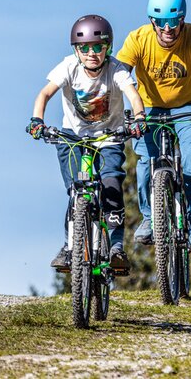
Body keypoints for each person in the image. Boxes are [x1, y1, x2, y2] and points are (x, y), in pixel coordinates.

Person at [115, 0, 191, 260]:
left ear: (183, 20)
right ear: (152, 21)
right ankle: (150, 218)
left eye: (174, 21)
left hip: (189, 107)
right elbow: (119, 73)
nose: (168, 29)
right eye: (161, 22)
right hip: (150, 110)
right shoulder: (138, 39)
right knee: (145, 161)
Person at [28, 14, 146, 274]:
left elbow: (133, 95)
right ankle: (70, 247)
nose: (91, 53)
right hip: (74, 137)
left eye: (98, 47)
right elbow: (45, 93)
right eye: (85, 48)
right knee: (75, 192)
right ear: (76, 50)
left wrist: (138, 119)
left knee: (111, 185)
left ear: (108, 48)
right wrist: (37, 120)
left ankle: (115, 247)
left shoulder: (116, 70)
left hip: (109, 137)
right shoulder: (68, 67)